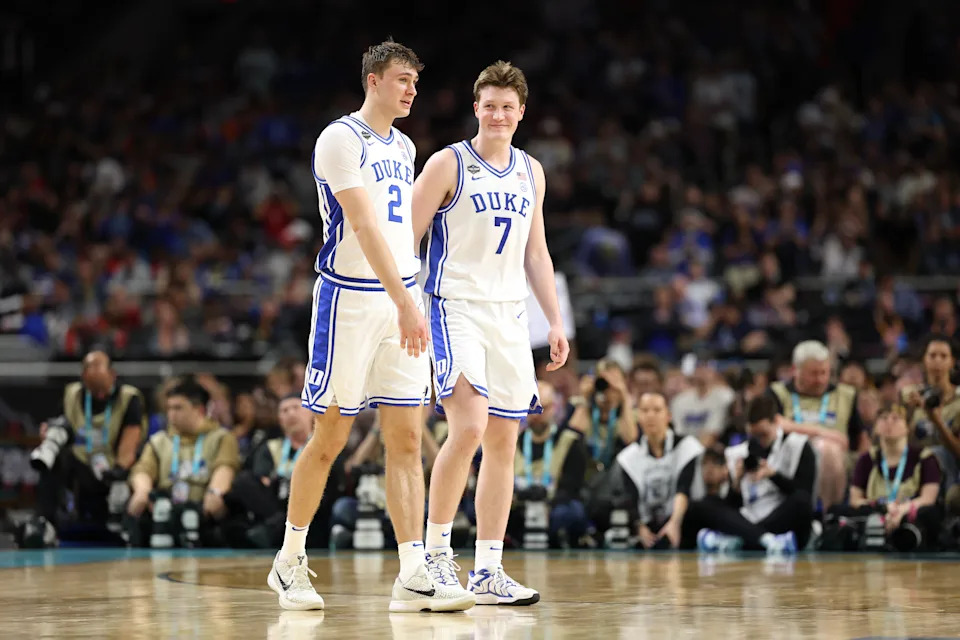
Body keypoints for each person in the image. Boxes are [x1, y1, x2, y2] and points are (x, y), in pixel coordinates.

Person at [268, 40, 472, 614]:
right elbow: (361, 224)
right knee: (330, 437)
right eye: (403, 79)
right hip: (350, 302)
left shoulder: (404, 145)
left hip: (400, 299)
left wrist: (415, 296)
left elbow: (402, 231)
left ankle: (412, 572)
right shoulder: (339, 139)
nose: (412, 90)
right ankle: (289, 561)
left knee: (406, 437)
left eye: (416, 82)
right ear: (374, 80)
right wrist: (405, 301)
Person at [412, 60, 570, 605]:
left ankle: (487, 571)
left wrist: (553, 320)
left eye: (509, 106)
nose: (499, 114)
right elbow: (406, 236)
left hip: (509, 314)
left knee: (505, 439)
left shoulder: (532, 171)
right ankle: (431, 559)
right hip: (453, 305)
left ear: (522, 113)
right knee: (471, 426)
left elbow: (537, 252)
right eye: (490, 105)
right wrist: (403, 306)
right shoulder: (447, 163)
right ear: (475, 107)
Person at [31, 350, 147, 542]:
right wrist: (48, 432)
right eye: (91, 380)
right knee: (54, 458)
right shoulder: (72, 393)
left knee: (131, 474)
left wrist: (118, 470)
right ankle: (44, 523)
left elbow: (130, 441)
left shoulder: (129, 397)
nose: (99, 394)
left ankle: (124, 524)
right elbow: (59, 421)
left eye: (101, 380)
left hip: (113, 463)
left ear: (112, 375)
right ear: (84, 377)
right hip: (81, 459)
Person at [687, 395, 816, 553]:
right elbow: (730, 507)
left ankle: (742, 540)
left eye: (763, 435)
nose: (759, 441)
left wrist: (774, 476)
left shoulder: (798, 445)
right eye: (754, 436)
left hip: (780, 517)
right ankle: (763, 539)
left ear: (776, 422)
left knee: (801, 501)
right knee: (704, 504)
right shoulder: (737, 453)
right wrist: (737, 484)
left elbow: (805, 495)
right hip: (748, 519)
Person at [126, 379, 239, 547]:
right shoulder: (160, 440)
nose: (171, 414)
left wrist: (215, 492)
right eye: (169, 408)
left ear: (199, 409)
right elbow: (142, 469)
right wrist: (142, 491)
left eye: (178, 408)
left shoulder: (221, 438)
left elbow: (225, 468)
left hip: (201, 509)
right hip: (165, 509)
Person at [767, 340, 866, 510]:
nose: (820, 379)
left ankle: (829, 514)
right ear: (795, 371)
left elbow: (860, 440)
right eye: (813, 374)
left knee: (829, 450)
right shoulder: (777, 393)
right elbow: (774, 424)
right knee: (825, 446)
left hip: (839, 463)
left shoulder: (846, 395)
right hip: (790, 461)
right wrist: (824, 433)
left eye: (824, 373)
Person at [830, 405, 942, 551]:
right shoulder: (866, 459)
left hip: (909, 511)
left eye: (896, 418)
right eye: (883, 418)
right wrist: (883, 508)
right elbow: (855, 499)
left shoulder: (924, 458)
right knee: (837, 510)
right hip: (876, 510)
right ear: (875, 427)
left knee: (930, 513)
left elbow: (928, 498)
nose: (889, 422)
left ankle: (908, 537)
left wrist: (901, 510)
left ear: (908, 427)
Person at [614, 392, 703, 549]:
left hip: (682, 518)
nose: (650, 416)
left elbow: (683, 488)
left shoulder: (686, 446)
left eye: (656, 410)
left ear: (668, 416)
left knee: (707, 507)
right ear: (638, 416)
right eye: (645, 410)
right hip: (648, 522)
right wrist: (640, 528)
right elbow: (630, 498)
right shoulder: (628, 457)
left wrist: (674, 523)